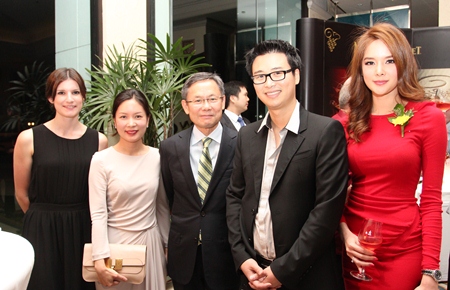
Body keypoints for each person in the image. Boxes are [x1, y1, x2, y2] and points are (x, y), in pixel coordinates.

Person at [226, 39, 348, 290]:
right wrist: (242, 256)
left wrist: (282, 270)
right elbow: (235, 196)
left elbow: (326, 213)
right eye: (260, 76)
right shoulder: (247, 136)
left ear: (296, 75)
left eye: (278, 73)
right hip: (253, 272)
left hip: (307, 275)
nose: (269, 83)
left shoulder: (325, 131)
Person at [339, 23, 446, 290]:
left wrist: (431, 272)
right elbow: (328, 190)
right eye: (369, 62)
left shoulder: (427, 118)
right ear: (360, 69)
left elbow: (431, 200)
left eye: (389, 60)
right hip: (356, 252)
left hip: (404, 250)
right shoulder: (344, 123)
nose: (379, 71)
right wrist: (343, 233)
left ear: (403, 63)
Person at [13, 68, 108, 289]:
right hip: (42, 229)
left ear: (83, 97)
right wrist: (44, 220)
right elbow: (21, 193)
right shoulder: (28, 139)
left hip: (82, 228)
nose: (69, 99)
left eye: (75, 92)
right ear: (50, 98)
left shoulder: (99, 141)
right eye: (61, 93)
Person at [160, 72, 240, 290]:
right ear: (186, 106)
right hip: (184, 255)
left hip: (227, 256)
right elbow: (170, 196)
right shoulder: (169, 147)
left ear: (223, 101)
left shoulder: (241, 143)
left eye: (212, 99)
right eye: (198, 100)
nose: (206, 106)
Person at [88, 89, 170, 290]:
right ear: (115, 121)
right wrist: (99, 258)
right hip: (114, 248)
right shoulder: (101, 160)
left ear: (148, 120)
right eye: (123, 117)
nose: (131, 123)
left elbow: (161, 207)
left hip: (151, 244)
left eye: (138, 116)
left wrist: (167, 246)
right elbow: (98, 214)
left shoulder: (159, 157)